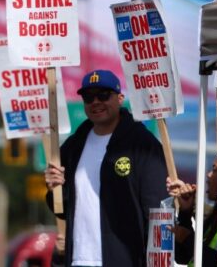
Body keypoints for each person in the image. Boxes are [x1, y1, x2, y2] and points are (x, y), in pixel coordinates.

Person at [44, 69, 168, 267]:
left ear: (120, 98)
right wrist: (53, 189)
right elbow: (63, 209)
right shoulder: (73, 146)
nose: (95, 102)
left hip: (125, 260)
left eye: (103, 95)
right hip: (78, 260)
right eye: (88, 97)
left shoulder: (142, 144)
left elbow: (157, 208)